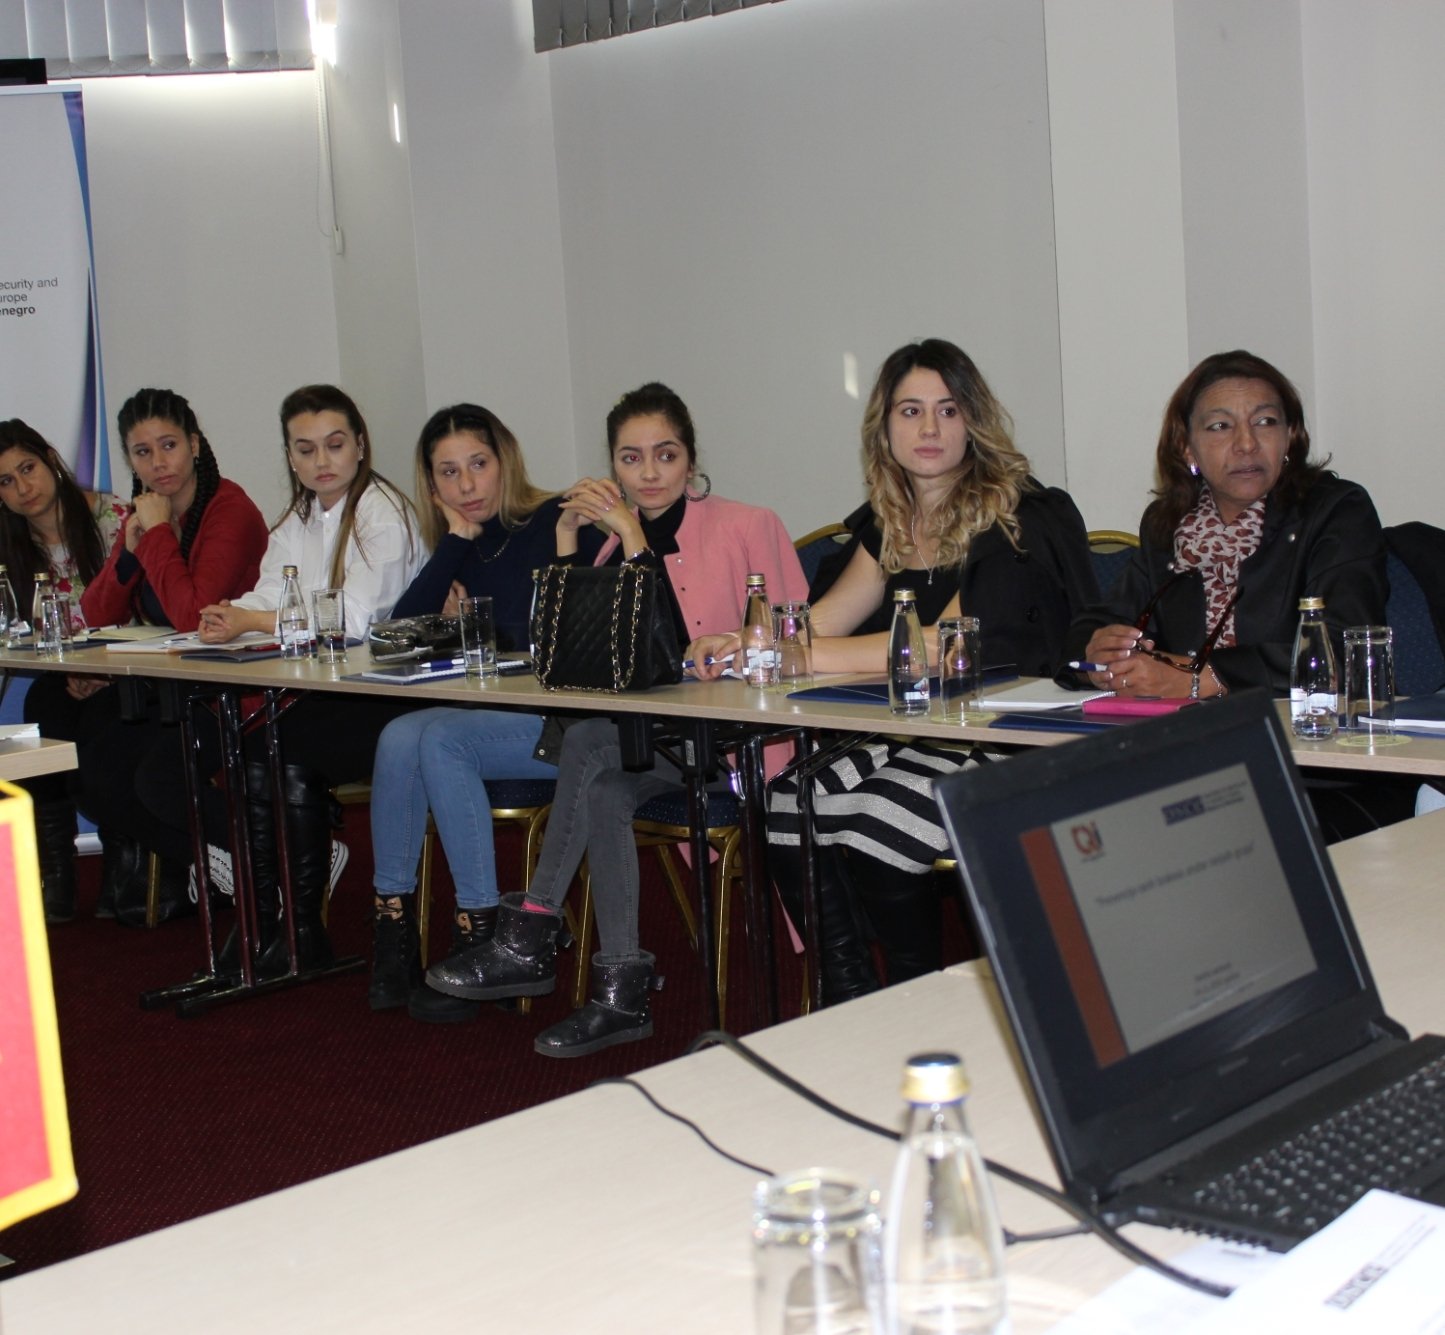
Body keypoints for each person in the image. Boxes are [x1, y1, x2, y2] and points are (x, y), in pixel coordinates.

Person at [422, 382, 808, 1055]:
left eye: (666, 454)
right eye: (631, 458)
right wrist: (567, 539)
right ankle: (620, 994)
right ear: (614, 466)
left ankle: (530, 932)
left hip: (738, 741)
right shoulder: (604, 549)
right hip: (657, 742)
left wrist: (632, 537)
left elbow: (776, 639)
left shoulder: (749, 524)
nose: (649, 472)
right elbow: (567, 657)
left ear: (691, 459)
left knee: (590, 739)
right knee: (601, 782)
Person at [740, 339, 1097, 1003]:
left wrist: (794, 655)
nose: (929, 428)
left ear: (974, 421)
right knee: (787, 802)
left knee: (879, 821)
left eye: (947, 409)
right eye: (910, 411)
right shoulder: (893, 520)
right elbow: (826, 621)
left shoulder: (1017, 515)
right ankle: (849, 998)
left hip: (1007, 730)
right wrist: (743, 643)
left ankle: (916, 1002)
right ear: (884, 427)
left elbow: (937, 647)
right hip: (920, 725)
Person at [135, 384, 426, 974]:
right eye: (306, 449)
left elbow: (353, 618)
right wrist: (228, 615)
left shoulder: (383, 512)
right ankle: (269, 917)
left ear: (360, 445)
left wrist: (252, 620)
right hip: (321, 689)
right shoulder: (299, 515)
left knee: (276, 745)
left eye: (334, 445)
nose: (322, 461)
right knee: (226, 748)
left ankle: (297, 927)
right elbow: (272, 590)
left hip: (386, 693)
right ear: (290, 457)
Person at [1064, 349, 1397, 840]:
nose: (1246, 443)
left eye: (1265, 422)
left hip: (1321, 773)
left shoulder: (1336, 511)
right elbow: (1099, 621)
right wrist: (1097, 651)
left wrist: (1204, 677)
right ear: (1187, 448)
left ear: (1290, 437)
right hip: (1193, 762)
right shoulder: (1168, 527)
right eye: (1220, 426)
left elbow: (1344, 646)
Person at [367, 403, 602, 1023]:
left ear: (506, 462)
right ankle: (393, 926)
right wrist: (453, 545)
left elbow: (569, 638)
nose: (467, 485)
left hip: (566, 725)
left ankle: (485, 932)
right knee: (397, 736)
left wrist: (478, 626)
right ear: (431, 485)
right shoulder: (462, 543)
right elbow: (395, 641)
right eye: (448, 473)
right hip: (500, 718)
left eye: (478, 464)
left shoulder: (557, 520)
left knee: (442, 740)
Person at [76, 388, 268, 921]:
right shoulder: (147, 514)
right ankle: (215, 862)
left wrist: (157, 534)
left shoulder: (230, 509)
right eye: (143, 452)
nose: (158, 463)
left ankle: (285, 853)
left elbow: (193, 616)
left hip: (234, 688)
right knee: (91, 770)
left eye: (169, 445)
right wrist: (130, 551)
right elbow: (95, 614)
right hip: (173, 684)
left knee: (151, 778)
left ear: (195, 445)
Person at [0, 419, 126, 922]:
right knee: (37, 714)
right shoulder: (9, 549)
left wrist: (106, 671)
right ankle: (57, 867)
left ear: (51, 459)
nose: (22, 487)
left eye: (27, 468)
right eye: (6, 481)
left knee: (102, 720)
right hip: (62, 675)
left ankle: (123, 858)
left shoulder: (114, 518)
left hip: (129, 670)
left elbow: (146, 613)